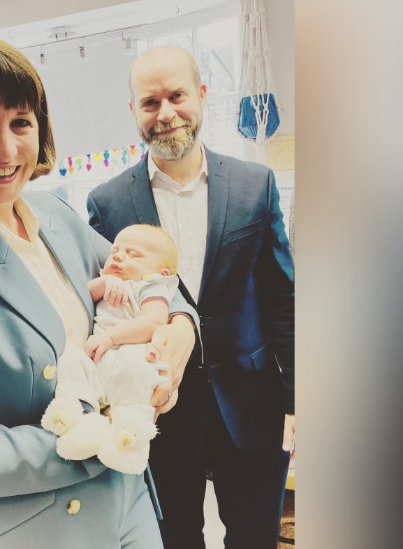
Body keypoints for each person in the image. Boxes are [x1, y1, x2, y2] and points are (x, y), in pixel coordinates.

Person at [0, 37, 199, 549]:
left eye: (20, 122)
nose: (5, 149)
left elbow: (153, 277)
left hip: (129, 502)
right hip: (41, 529)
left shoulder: (57, 216)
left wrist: (181, 327)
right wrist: (105, 435)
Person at [87, 46, 295, 549]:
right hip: (156, 414)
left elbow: (282, 297)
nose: (165, 113)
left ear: (201, 96)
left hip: (251, 406)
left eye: (176, 95)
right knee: (172, 540)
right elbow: (99, 305)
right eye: (149, 102)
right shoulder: (106, 203)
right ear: (133, 112)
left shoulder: (253, 185)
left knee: (254, 540)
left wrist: (298, 399)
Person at [42, 224, 181, 475]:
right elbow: (75, 299)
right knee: (72, 361)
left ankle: (128, 440)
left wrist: (110, 337)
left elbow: (154, 322)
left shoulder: (151, 286)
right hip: (98, 358)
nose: (118, 255)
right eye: (116, 250)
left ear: (160, 272)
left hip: (130, 355)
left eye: (133, 254)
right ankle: (78, 418)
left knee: (135, 368)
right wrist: (103, 282)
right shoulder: (108, 281)